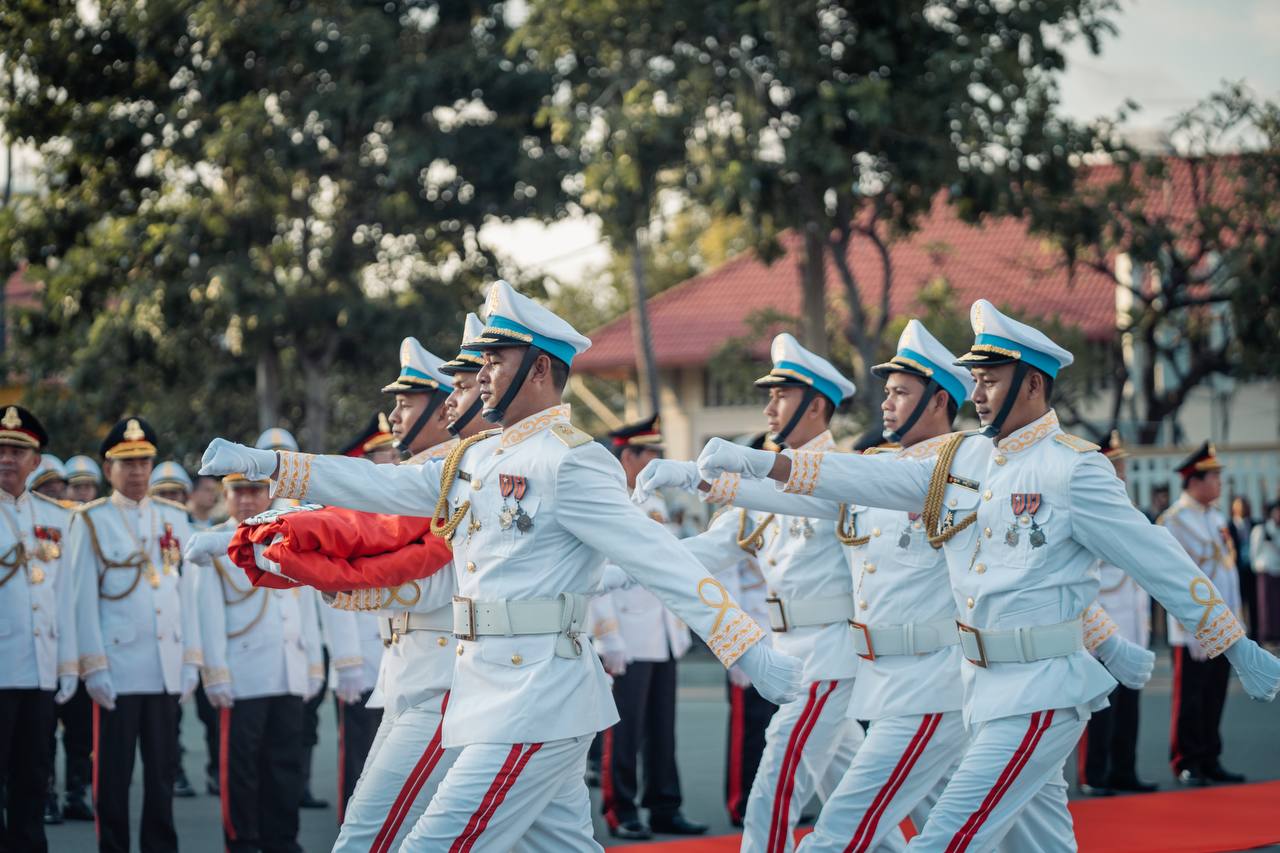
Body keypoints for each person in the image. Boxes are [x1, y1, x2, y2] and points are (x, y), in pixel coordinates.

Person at [199, 279, 802, 851]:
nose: (481, 374)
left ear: (539, 370)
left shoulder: (571, 461)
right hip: (496, 693)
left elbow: (661, 560)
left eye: (496, 360)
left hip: (535, 697)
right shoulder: (474, 458)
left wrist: (749, 650)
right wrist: (270, 465)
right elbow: (379, 486)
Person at [697, 299, 1280, 851]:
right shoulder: (964, 459)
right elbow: (867, 479)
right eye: (975, 379)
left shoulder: (1073, 470)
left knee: (941, 841)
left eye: (990, 380)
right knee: (1040, 844)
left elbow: (1158, 558)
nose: (975, 393)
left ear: (1033, 384)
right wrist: (760, 463)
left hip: (1038, 691)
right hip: (980, 689)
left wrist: (1234, 644)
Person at [637, 332, 866, 853]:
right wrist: (624, 565)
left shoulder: (844, 474)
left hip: (828, 656)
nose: (768, 408)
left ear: (815, 406)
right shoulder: (768, 485)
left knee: (772, 791)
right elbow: (706, 551)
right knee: (853, 797)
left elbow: (796, 492)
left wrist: (694, 478)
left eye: (781, 396)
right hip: (791, 649)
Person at [68, 416, 201, 853]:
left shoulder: (174, 518)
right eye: (127, 463)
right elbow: (82, 601)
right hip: (118, 669)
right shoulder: (92, 520)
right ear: (109, 469)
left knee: (162, 773)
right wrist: (93, 667)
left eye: (144, 462)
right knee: (113, 775)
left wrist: (191, 660)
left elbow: (187, 596)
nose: (137, 471)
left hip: (165, 668)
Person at [188, 471, 322, 853]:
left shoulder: (287, 534)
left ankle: (282, 840)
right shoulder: (213, 543)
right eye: (238, 491)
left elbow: (305, 604)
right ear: (225, 495)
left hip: (287, 668)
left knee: (286, 764)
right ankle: (243, 841)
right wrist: (215, 674)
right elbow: (208, 614)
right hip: (242, 674)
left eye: (255, 491)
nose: (247, 499)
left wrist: (313, 664)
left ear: (269, 494)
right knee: (241, 768)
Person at [590, 415, 705, 840]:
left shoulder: (653, 502)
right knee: (622, 731)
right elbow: (595, 575)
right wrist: (608, 637)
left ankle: (664, 805)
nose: (656, 463)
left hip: (663, 631)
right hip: (627, 636)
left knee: (661, 728)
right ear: (628, 457)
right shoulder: (605, 504)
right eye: (650, 455)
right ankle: (620, 809)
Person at [0, 405, 79, 852]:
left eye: (17, 451)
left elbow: (65, 598)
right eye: (1, 450)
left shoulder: (58, 519)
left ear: (35, 461)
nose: (6, 459)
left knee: (33, 776)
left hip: (40, 668)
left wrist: (68, 664)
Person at [1160, 442, 1246, 787]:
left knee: (1214, 693)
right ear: (1194, 481)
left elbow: (1228, 572)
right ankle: (1186, 759)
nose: (1220, 482)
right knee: (1190, 696)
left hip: (1224, 623)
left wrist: (1236, 621)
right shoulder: (1175, 520)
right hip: (1193, 627)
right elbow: (1171, 578)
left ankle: (1210, 757)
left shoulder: (1216, 517)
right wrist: (1189, 627)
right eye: (1213, 476)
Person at [1076, 432, 1157, 796]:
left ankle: (1125, 769)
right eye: (1115, 467)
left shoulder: (1129, 510)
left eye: (1123, 467)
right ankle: (1094, 774)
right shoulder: (1087, 511)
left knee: (1129, 704)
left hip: (1133, 619)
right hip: (1103, 623)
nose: (1122, 475)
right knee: (1101, 704)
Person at [50, 456, 101, 824]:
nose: (82, 493)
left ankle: (76, 791)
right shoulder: (53, 522)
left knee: (82, 726)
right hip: (49, 638)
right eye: (76, 486)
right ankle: (45, 793)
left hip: (84, 641)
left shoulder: (101, 525)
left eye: (88, 486)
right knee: (41, 728)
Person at [148, 461, 200, 799]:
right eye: (163, 493)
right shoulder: (149, 531)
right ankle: (175, 768)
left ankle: (187, 769)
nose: (171, 499)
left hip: (188, 634)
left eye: (176, 494)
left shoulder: (192, 530)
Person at [1251, 501, 1280, 646]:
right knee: (1265, 605)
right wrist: (1257, 566)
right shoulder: (1261, 529)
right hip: (1265, 570)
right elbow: (1254, 551)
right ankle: (1266, 635)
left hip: (1278, 571)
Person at [1229, 496, 1256, 633]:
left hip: (1252, 569)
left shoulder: (1255, 524)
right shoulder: (1228, 526)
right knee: (1237, 601)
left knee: (1254, 602)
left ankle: (1255, 631)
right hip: (1236, 569)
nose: (1242, 509)